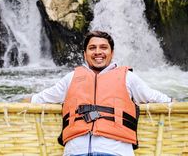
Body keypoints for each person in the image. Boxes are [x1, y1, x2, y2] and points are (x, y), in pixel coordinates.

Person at [31, 30, 172, 156]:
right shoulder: (71, 78)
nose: (98, 52)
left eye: (103, 47)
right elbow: (38, 99)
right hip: (75, 151)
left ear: (112, 53)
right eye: (92, 48)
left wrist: (173, 102)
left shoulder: (128, 78)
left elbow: (159, 98)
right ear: (85, 54)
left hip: (115, 151)